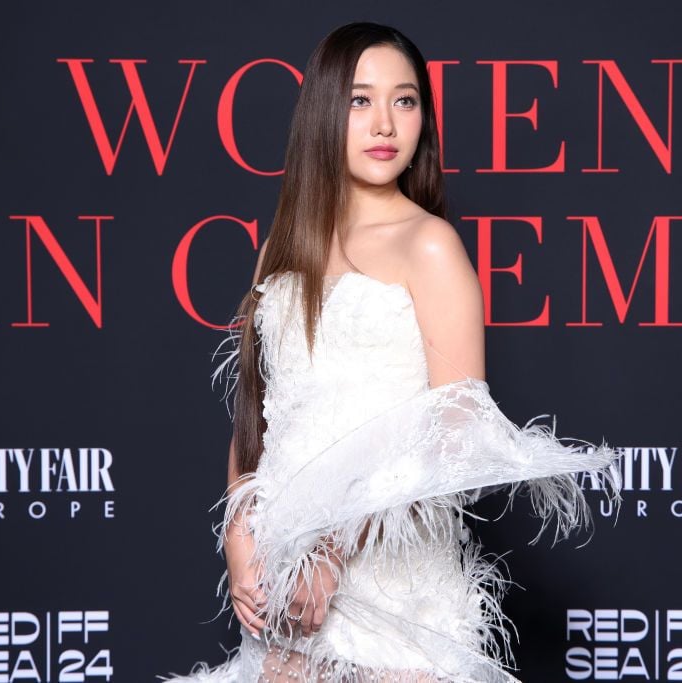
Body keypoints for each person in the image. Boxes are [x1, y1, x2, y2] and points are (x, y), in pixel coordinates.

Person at [160, 21, 621, 683]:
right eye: (360, 100)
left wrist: (333, 550)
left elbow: (455, 429)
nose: (384, 123)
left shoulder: (428, 245)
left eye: (404, 101)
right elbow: (258, 416)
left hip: (391, 591)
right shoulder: (284, 247)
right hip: (285, 594)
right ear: (323, 111)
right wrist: (240, 541)